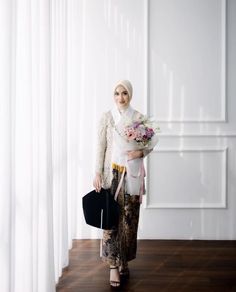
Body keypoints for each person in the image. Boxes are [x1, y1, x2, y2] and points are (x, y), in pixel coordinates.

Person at [93, 80, 152, 288]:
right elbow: (101, 146)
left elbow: (148, 143)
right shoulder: (107, 118)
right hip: (112, 176)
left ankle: (124, 260)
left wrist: (140, 152)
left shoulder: (138, 118)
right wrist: (97, 172)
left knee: (129, 219)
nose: (120, 97)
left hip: (131, 175)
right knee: (111, 221)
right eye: (117, 93)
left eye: (124, 93)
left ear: (130, 95)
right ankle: (112, 267)